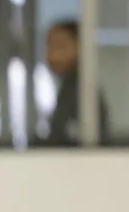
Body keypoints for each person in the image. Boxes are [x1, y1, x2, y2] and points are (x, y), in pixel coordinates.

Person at [33, 19, 109, 148]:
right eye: (49, 46)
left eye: (60, 46)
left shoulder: (81, 89)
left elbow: (65, 141)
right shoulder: (68, 86)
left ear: (80, 48)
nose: (52, 55)